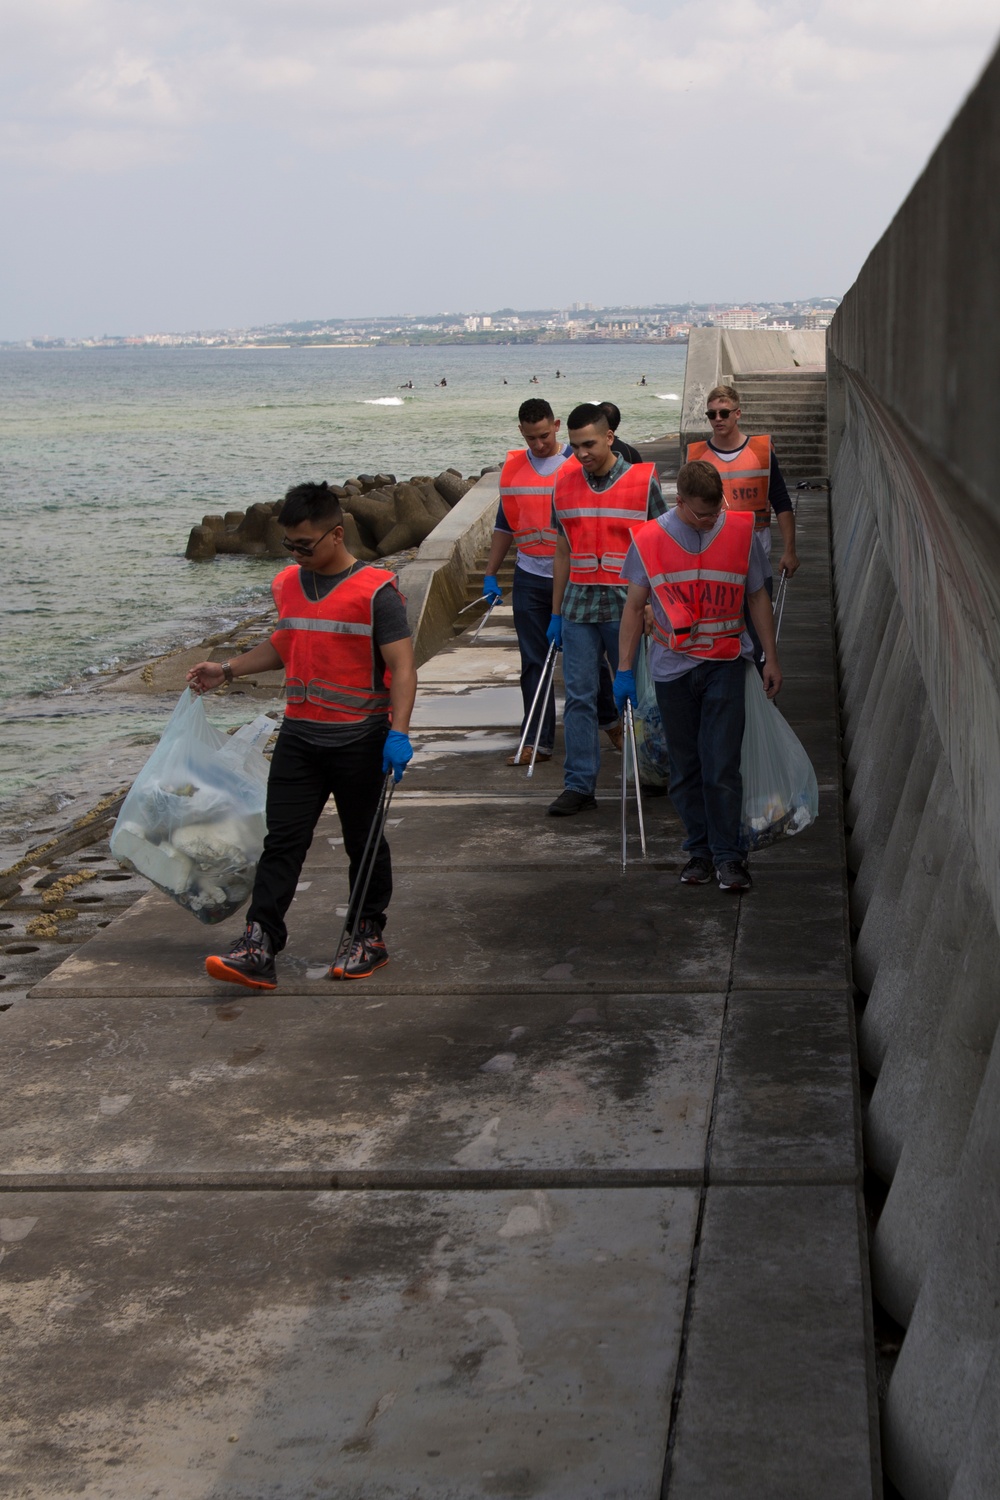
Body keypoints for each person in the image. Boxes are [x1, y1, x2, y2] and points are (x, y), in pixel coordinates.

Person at [188, 482, 417, 987]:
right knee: (283, 843)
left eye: (304, 545)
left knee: (364, 842)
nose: (295, 554)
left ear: (336, 535)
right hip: (300, 736)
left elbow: (402, 667)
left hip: (360, 740)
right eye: (289, 545)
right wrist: (226, 670)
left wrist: (397, 733)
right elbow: (286, 643)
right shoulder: (287, 583)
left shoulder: (377, 590)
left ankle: (367, 935)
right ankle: (259, 943)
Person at [614, 459, 782, 892]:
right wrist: (624, 669)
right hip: (672, 669)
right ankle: (699, 850)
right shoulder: (649, 539)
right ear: (679, 501)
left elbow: (758, 597)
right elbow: (634, 607)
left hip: (726, 662)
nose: (710, 521)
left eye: (716, 511)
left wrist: (770, 658)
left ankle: (730, 857)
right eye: (702, 514)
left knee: (721, 764)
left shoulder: (741, 533)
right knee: (685, 767)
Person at [482, 399, 618, 765]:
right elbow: (503, 524)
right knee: (533, 661)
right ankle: (536, 741)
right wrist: (491, 574)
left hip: (577, 576)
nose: (539, 445)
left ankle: (610, 720)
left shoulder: (578, 464)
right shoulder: (513, 471)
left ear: (557, 426)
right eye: (530, 439)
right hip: (529, 576)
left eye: (544, 436)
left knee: (588, 658)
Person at [547, 402, 666, 815]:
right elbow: (562, 551)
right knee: (579, 698)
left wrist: (655, 604)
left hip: (627, 608)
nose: (582, 454)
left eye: (590, 445)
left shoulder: (642, 481)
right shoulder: (563, 486)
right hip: (579, 607)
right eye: (576, 446)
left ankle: (652, 771)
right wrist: (555, 613)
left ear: (610, 438)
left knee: (642, 696)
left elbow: (659, 547)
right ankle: (579, 786)